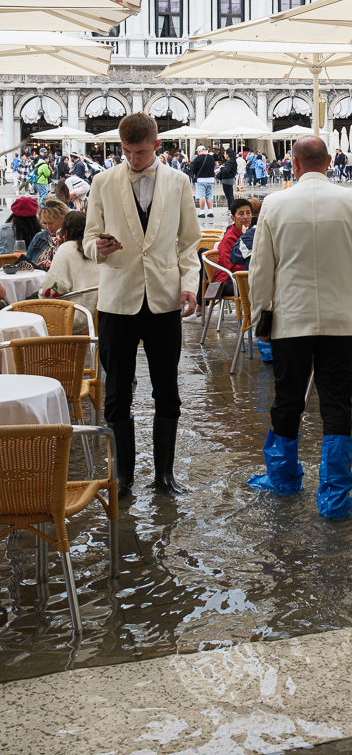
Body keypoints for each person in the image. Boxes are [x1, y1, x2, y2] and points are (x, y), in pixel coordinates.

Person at [248, 135, 352, 518]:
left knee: (288, 398)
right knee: (336, 402)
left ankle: (282, 478)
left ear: (292, 164)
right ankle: (334, 496)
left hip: (290, 321)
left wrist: (261, 314)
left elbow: (261, 269)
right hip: (341, 321)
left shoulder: (274, 205)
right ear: (329, 161)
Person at [84, 111, 201, 497]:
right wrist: (97, 248)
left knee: (167, 389)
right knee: (117, 391)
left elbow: (188, 243)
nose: (134, 159)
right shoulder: (102, 182)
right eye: (128, 152)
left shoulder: (179, 181)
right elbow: (86, 242)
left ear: (157, 146)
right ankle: (124, 477)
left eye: (141, 152)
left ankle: (164, 476)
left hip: (164, 299)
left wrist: (189, 285)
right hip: (118, 300)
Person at [38, 211, 101, 331]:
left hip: (76, 316)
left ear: (65, 232)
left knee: (28, 305)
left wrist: (41, 292)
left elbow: (50, 292)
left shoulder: (67, 248)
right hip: (98, 315)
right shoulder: (97, 248)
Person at [213, 198, 253, 291]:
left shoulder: (252, 232)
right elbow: (232, 267)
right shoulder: (229, 238)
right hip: (229, 280)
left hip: (248, 276)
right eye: (241, 213)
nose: (245, 217)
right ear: (233, 218)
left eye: (248, 213)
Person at [27, 198, 70, 269]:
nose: (48, 227)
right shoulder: (39, 237)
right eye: (44, 223)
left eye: (51, 223)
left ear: (63, 218)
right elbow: (26, 261)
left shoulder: (70, 239)